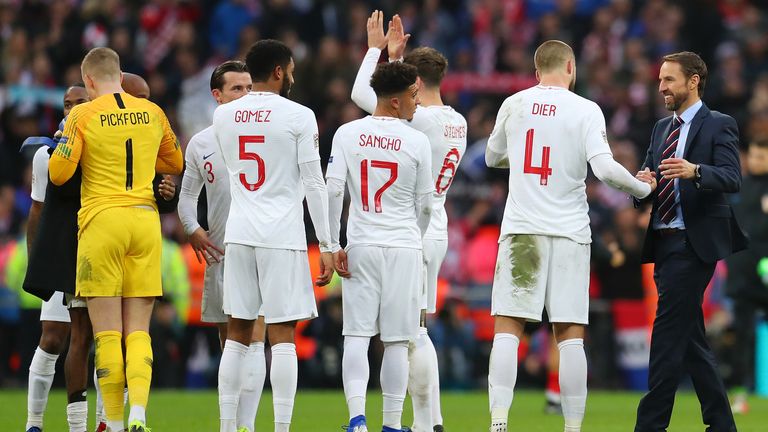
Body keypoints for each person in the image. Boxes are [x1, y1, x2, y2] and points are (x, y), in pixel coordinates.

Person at [484, 40, 654, 432]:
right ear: (571, 67)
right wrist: (643, 190)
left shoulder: (515, 103)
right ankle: (573, 428)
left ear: (536, 69)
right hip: (570, 233)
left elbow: (493, 157)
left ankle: (498, 423)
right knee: (570, 334)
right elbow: (606, 169)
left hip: (522, 231)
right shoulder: (586, 109)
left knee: (508, 328)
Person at [48, 47, 183, 432]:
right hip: (144, 220)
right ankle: (140, 411)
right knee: (138, 329)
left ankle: (117, 422)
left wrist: (70, 145)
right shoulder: (153, 113)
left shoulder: (81, 114)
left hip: (102, 221)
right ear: (121, 77)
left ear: (88, 81)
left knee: (106, 333)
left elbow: (59, 174)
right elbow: (174, 163)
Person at [350, 12, 466, 432]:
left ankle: (426, 423)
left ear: (413, 82)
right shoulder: (457, 120)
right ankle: (431, 420)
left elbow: (367, 96)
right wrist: (397, 60)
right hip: (438, 223)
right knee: (417, 328)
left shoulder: (420, 120)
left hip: (410, 227)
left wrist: (378, 53)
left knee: (410, 333)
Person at [213, 39, 333, 432]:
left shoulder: (224, 116)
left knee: (237, 334)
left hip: (240, 231)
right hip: (282, 234)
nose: (293, 76)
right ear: (280, 71)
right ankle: (281, 427)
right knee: (282, 337)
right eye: (292, 69)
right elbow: (314, 183)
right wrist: (329, 244)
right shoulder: (299, 115)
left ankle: (228, 426)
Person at [633, 51, 747, 432]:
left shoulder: (720, 124)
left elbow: (732, 177)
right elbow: (648, 181)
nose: (661, 87)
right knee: (690, 337)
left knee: (666, 335)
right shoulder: (661, 129)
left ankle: (650, 426)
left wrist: (695, 170)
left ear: (694, 80)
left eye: (668, 80)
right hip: (663, 243)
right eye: (660, 80)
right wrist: (642, 185)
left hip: (694, 243)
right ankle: (721, 424)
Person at [330, 60, 433, 432]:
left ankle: (357, 421)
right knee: (395, 341)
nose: (416, 103)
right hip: (403, 245)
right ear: (395, 101)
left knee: (356, 336)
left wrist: (331, 242)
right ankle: (391, 425)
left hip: (361, 244)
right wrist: (414, 236)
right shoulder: (417, 140)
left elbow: (334, 189)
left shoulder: (346, 133)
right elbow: (425, 205)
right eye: (412, 95)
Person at [178, 60, 267, 432]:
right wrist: (193, 229)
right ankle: (230, 422)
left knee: (257, 336)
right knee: (230, 340)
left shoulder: (267, 132)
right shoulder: (201, 142)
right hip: (220, 251)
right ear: (217, 95)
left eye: (249, 87)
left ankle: (243, 425)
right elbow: (186, 198)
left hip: (262, 246)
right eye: (237, 89)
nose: (246, 94)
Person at [22, 84, 87, 432]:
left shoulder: (103, 147)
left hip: (97, 251)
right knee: (51, 336)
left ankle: (106, 421)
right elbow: (37, 209)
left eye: (80, 102)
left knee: (103, 339)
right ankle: (34, 423)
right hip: (62, 254)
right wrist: (38, 261)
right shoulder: (46, 154)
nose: (72, 108)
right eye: (67, 104)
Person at [725, 138, 768, 414]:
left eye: (762, 157)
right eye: (753, 156)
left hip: (765, 273)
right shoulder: (738, 186)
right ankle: (740, 393)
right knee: (741, 337)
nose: (756, 162)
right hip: (741, 275)